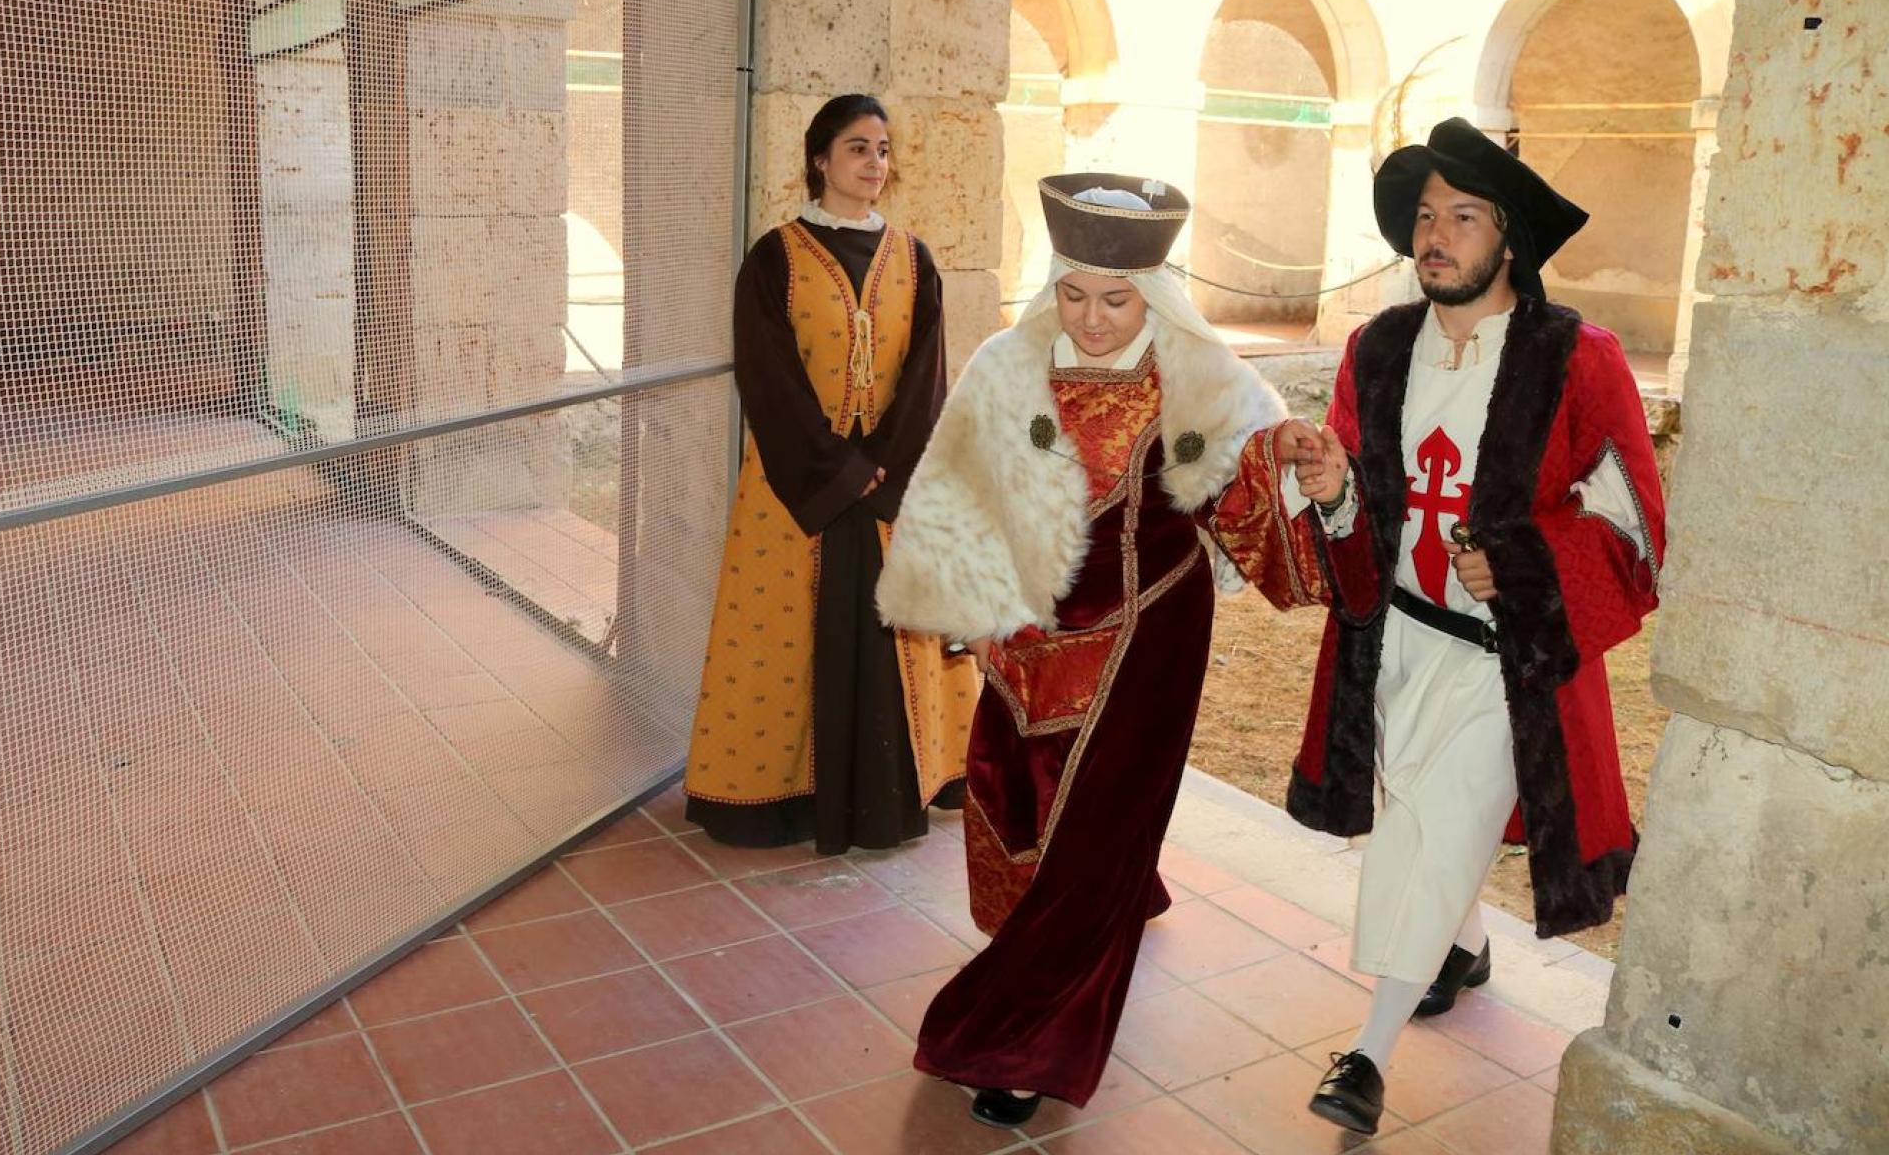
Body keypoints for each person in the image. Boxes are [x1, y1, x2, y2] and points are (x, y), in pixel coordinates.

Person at [877, 173, 1345, 1127]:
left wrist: (1296, 468)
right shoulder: (1008, 364)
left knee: (1093, 836)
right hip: (1023, 635)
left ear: (1154, 293)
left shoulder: (1198, 380)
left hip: (1146, 638)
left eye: (1116, 299)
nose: (1091, 319)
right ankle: (1116, 892)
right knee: (1020, 801)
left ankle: (1019, 1040)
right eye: (1075, 294)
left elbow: (1249, 501)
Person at [1287, 118, 1667, 1136]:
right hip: (1397, 641)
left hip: (1509, 660)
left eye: (1462, 216)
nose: (1435, 237)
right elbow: (1362, 509)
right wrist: (1332, 494)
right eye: (1424, 217)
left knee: (1435, 821)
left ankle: (1367, 1051)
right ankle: (1465, 943)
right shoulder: (1379, 348)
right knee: (1413, 798)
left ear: (1511, 239)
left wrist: (1526, 565)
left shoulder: (1575, 358)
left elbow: (1633, 520)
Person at [684, 94, 974, 854]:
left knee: (896, 631)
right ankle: (782, 798)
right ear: (819, 159)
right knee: (782, 636)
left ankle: (895, 794)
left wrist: (883, 467)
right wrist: (838, 470)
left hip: (889, 481)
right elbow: (766, 377)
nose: (873, 163)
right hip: (795, 485)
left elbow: (926, 376)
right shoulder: (774, 258)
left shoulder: (914, 258)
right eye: (856, 148)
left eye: (882, 150)